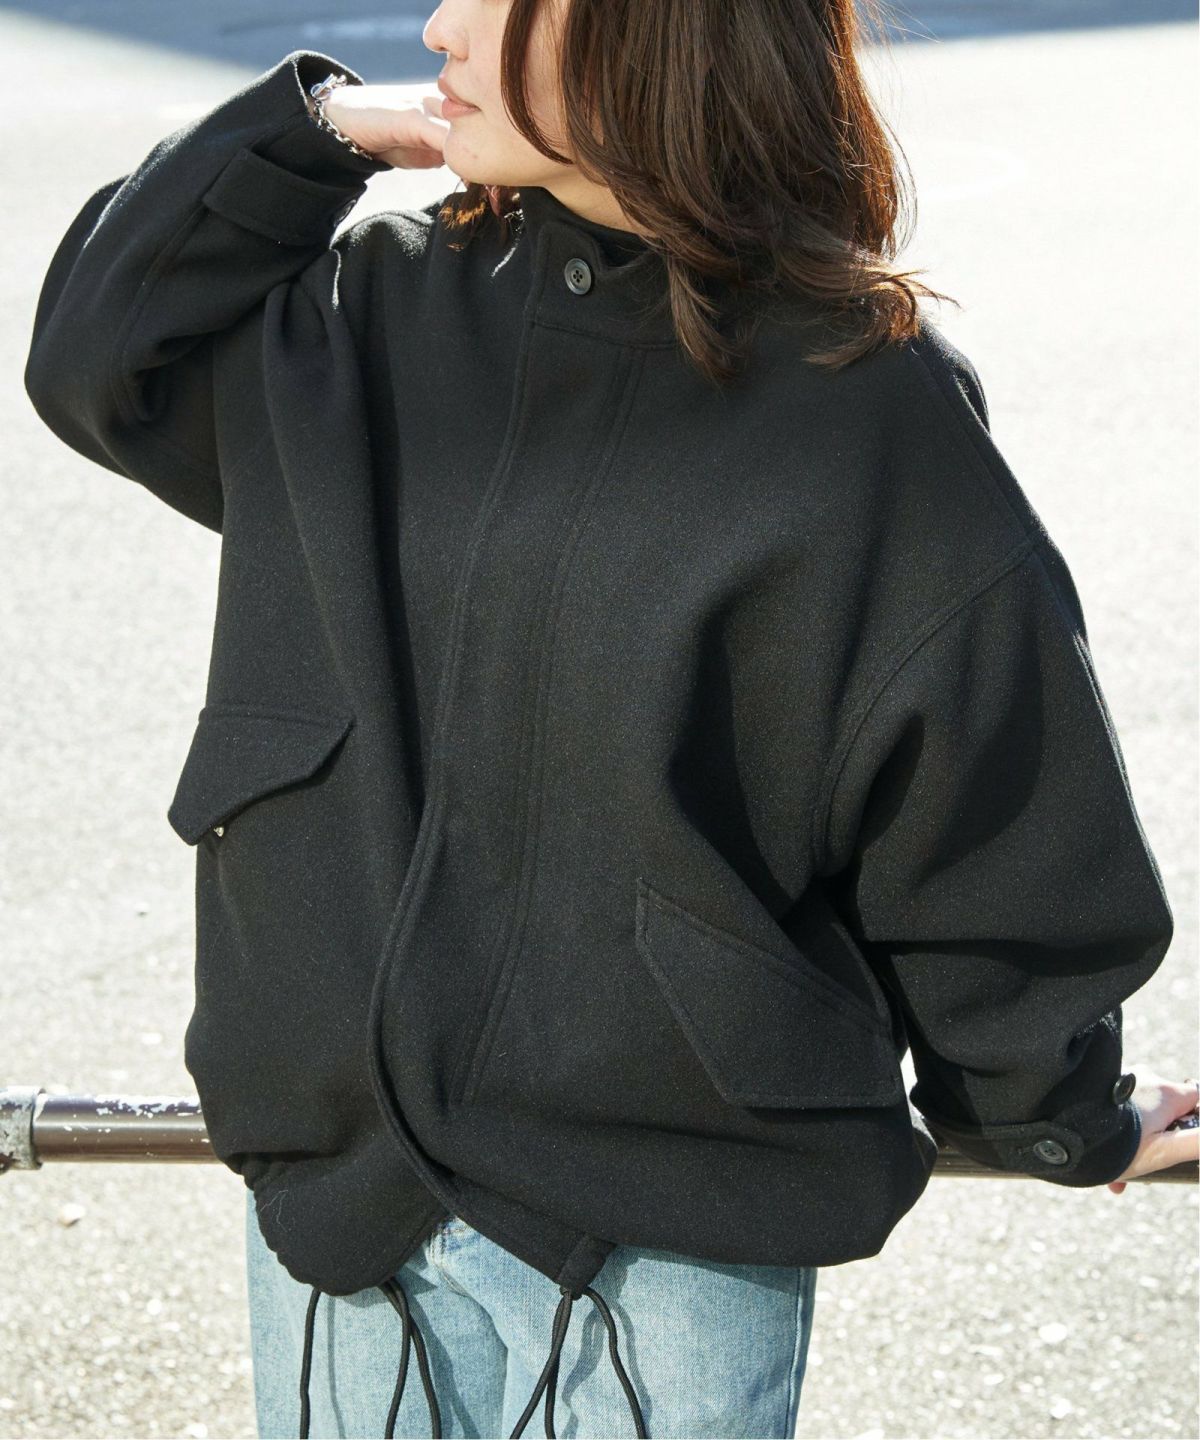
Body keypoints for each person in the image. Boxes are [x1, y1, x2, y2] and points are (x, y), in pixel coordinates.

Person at [24, 0, 1198, 1435]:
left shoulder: (864, 401)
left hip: (672, 1233)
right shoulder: (368, 308)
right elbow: (97, 358)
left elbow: (986, 815)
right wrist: (313, 133)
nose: (440, 25)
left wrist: (1060, 1114)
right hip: (343, 1207)